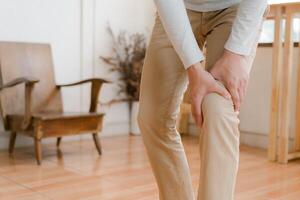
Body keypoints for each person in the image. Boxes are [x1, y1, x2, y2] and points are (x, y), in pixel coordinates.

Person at [137, 0, 268, 200]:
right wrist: (194, 69)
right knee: (152, 116)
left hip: (236, 7)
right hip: (179, 7)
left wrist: (235, 53)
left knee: (218, 108)